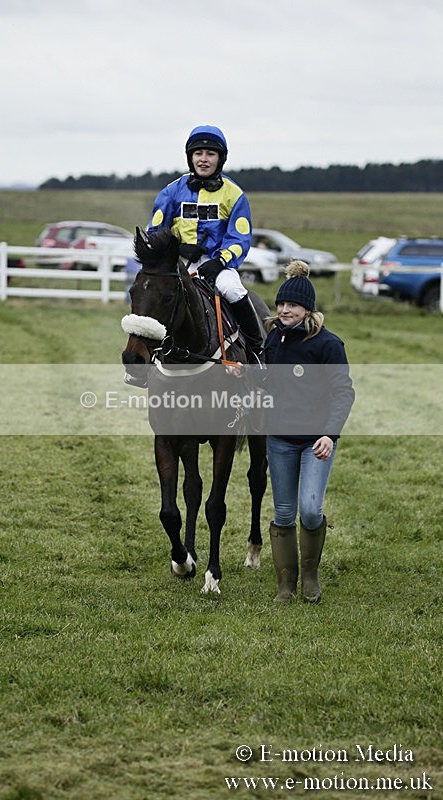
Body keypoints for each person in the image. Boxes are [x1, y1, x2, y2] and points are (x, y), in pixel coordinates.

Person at [264, 260, 355, 603]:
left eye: (292, 305)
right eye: (282, 304)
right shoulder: (274, 339)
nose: (285, 310)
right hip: (279, 439)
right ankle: (286, 583)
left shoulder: (328, 345)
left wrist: (330, 435)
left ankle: (311, 576)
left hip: (316, 442)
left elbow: (343, 391)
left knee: (312, 509)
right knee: (284, 513)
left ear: (307, 309)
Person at [147, 124, 265, 364]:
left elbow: (240, 238)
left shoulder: (234, 194)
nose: (203, 159)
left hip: (217, 265)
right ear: (190, 157)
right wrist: (176, 247)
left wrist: (220, 260)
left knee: (233, 290)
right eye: (198, 153)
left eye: (210, 154)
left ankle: (256, 350)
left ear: (220, 159)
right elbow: (155, 231)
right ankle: (144, 357)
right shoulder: (171, 191)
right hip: (178, 264)